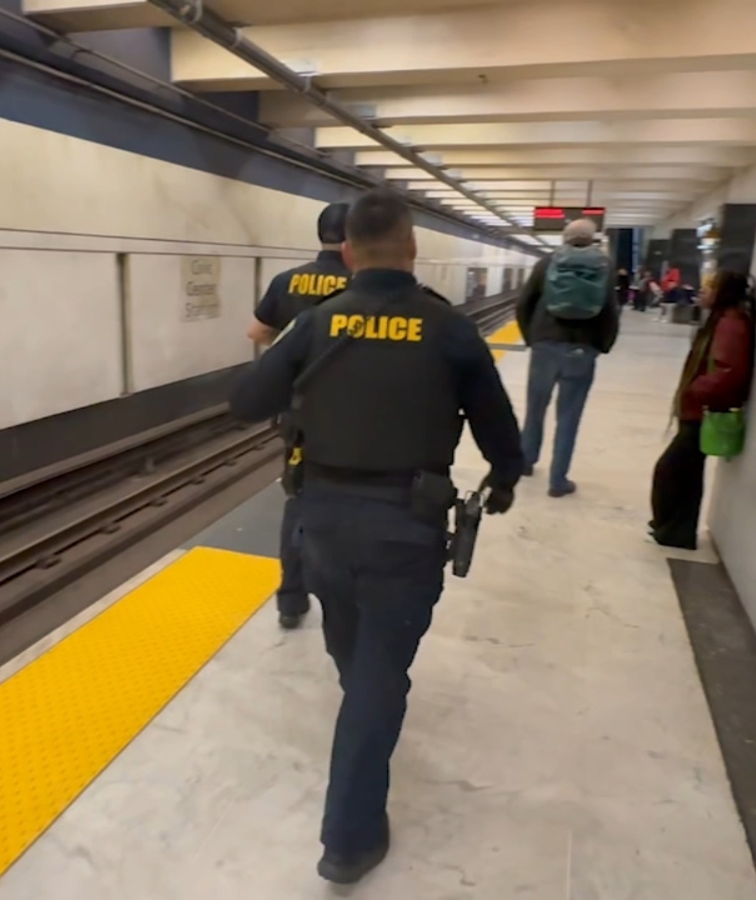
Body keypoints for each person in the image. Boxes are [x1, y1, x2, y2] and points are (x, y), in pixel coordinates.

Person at [230, 189, 523, 886]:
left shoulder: (317, 322)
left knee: (354, 651)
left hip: (323, 525)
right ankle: (349, 839)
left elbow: (247, 404)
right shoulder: (447, 328)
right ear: (413, 247)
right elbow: (499, 433)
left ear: (350, 252)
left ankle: (366, 713)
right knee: (377, 672)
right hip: (406, 526)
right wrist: (504, 481)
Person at [247, 203, 352, 628]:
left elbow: (257, 332)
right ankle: (342, 596)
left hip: (300, 414)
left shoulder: (288, 279)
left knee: (299, 499)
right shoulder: (363, 283)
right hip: (354, 414)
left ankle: (291, 599)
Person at [650, 271, 756, 550]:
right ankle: (673, 530)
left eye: (710, 287)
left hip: (705, 411)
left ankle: (675, 531)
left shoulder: (730, 324)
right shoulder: (724, 320)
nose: (702, 292)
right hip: (700, 409)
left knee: (672, 470)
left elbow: (729, 370)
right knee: (685, 473)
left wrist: (695, 389)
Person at [514, 218, 621, 497]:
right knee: (569, 416)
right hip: (582, 349)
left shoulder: (547, 262)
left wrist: (532, 337)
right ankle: (558, 481)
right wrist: (602, 346)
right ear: (593, 239)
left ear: (565, 237)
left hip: (545, 345)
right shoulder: (604, 266)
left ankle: (526, 462)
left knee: (535, 409)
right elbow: (610, 310)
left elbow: (524, 303)